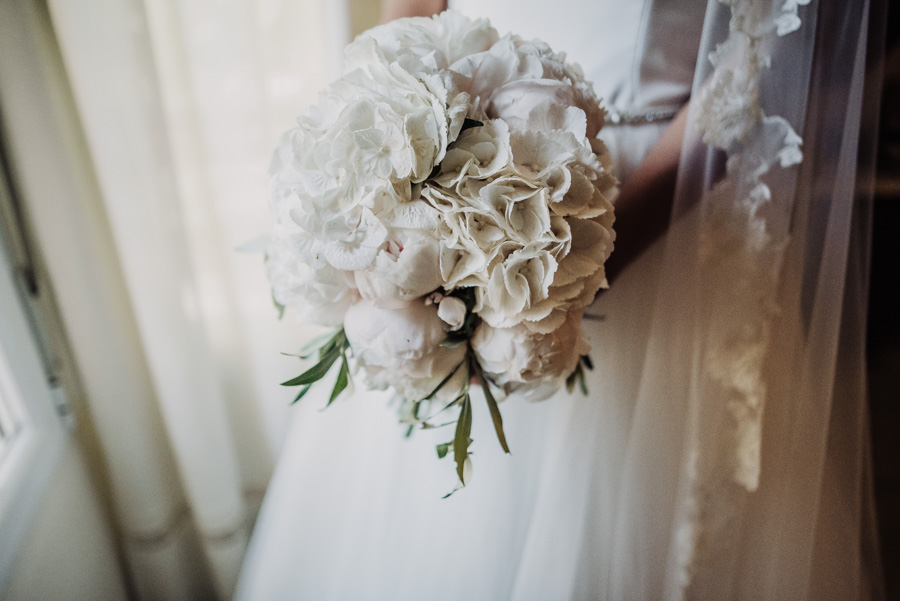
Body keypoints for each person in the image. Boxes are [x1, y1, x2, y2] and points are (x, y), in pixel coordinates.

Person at [236, 1, 885, 599]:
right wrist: (389, 160)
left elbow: (763, 67)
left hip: (654, 217)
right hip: (439, 156)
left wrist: (568, 264)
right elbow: (411, 11)